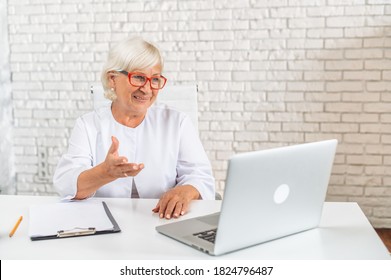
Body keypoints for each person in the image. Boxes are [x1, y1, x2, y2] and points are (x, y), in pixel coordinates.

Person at [53, 37, 215, 219]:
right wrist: (105, 173)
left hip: (164, 221)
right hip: (103, 225)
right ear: (112, 79)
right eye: (138, 77)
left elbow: (201, 176)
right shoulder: (88, 125)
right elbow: (66, 185)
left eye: (155, 79)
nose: (147, 89)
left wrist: (186, 191)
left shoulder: (177, 122)